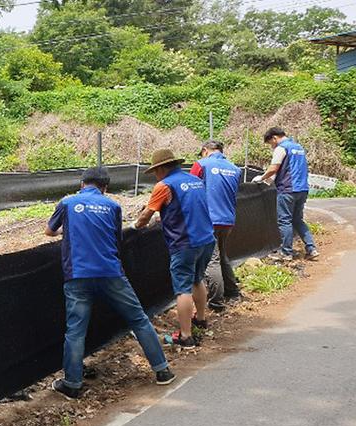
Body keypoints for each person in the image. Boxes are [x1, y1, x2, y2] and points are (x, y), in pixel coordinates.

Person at [45, 166, 175, 399]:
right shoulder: (113, 206)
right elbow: (116, 238)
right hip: (111, 273)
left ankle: (72, 384)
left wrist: (67, 231)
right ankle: (162, 371)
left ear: (82, 183)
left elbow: (49, 231)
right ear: (105, 188)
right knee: (139, 319)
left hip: (78, 275)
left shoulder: (67, 203)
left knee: (76, 331)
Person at [134, 149, 216, 347]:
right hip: (206, 239)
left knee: (182, 289)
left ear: (161, 168)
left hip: (185, 243)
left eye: (155, 171)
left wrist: (135, 226)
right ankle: (201, 319)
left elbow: (146, 215)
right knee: (197, 279)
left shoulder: (164, 186)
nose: (155, 175)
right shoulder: (194, 180)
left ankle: (186, 335)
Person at [252, 127, 319, 261]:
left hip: (288, 189)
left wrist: (261, 177)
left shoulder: (281, 148)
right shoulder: (298, 147)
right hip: (302, 189)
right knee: (297, 219)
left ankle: (286, 252)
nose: (271, 146)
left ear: (274, 138)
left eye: (271, 143)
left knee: (284, 221)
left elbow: (273, 168)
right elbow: (290, 168)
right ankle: (311, 249)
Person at [190, 140, 242, 304]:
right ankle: (232, 292)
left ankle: (216, 300)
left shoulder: (201, 164)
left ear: (205, 150)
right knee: (221, 254)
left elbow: (189, 188)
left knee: (211, 259)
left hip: (207, 219)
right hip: (227, 219)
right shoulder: (234, 168)